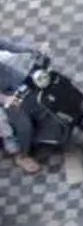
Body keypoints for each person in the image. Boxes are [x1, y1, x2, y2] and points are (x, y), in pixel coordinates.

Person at [0, 40, 45, 172]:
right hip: (4, 96)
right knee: (22, 123)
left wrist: (33, 49)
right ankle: (21, 154)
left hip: (7, 78)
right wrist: (5, 99)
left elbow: (10, 45)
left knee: (36, 84)